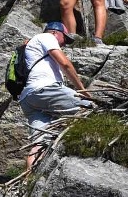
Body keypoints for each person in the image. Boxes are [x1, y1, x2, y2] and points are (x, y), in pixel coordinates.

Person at [19, 22, 92, 169]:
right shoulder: (47, 36)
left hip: (28, 99)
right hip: (44, 90)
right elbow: (64, 63)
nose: (64, 44)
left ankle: (27, 182)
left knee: (40, 143)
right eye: (64, 39)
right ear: (55, 33)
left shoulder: (32, 46)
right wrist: (83, 91)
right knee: (91, 108)